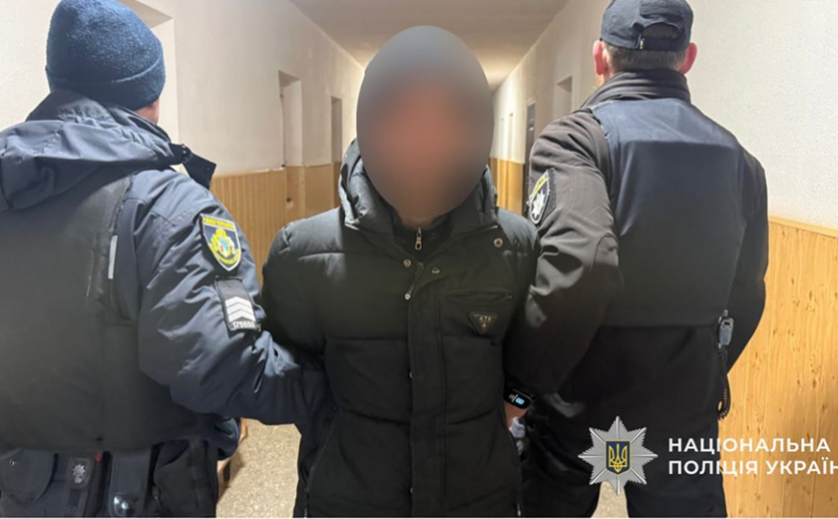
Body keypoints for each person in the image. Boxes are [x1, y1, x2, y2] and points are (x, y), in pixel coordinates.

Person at [0, 1, 324, 516]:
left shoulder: (9, 187)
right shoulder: (166, 208)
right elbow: (222, 366)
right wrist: (326, 387)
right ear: (151, 96)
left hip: (18, 489)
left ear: (56, 81)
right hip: (134, 494)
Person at [261, 26, 540, 517]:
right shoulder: (302, 253)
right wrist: (336, 431)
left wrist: (513, 403)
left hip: (479, 500)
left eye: (448, 119)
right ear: (370, 124)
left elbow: (533, 355)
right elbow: (289, 371)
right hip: (348, 502)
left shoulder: (516, 247)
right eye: (404, 118)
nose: (425, 143)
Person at [506, 0, 769, 516]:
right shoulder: (740, 161)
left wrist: (520, 388)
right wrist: (704, 372)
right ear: (687, 57)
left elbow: (581, 268)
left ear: (600, 57)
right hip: (683, 408)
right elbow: (747, 293)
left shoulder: (575, 142)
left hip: (576, 408)